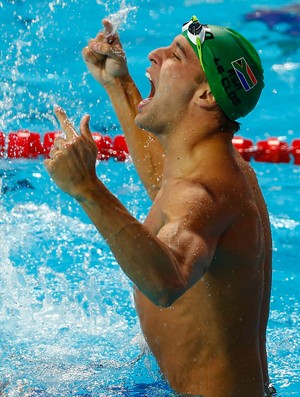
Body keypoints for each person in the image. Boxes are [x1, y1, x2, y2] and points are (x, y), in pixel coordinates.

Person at [44, 15, 276, 397]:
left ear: (206, 95)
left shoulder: (206, 194)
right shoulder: (219, 169)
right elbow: (164, 185)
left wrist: (87, 188)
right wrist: (118, 83)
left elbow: (167, 281)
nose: (154, 54)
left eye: (176, 55)